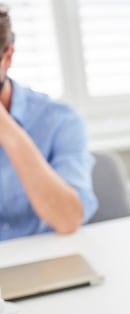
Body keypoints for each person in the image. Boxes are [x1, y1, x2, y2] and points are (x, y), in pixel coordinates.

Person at [0, 4, 97, 240]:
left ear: (7, 56)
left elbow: (68, 219)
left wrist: (8, 130)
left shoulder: (60, 120)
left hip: (43, 261)